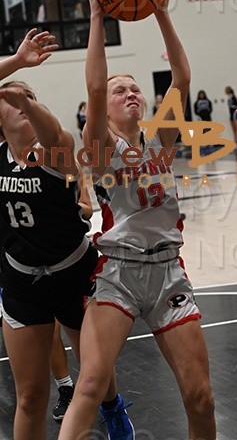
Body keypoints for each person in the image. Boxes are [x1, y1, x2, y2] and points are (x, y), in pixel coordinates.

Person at [58, 0, 216, 440]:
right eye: (120, 91)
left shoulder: (161, 139)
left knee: (201, 396)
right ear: (102, 109)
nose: (131, 94)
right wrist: (95, 19)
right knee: (89, 383)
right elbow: (93, 87)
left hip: (169, 272)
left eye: (134, 89)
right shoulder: (100, 145)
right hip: (118, 273)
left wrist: (163, 13)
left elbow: (183, 76)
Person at [0, 29, 132, 440]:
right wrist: (18, 62)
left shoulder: (56, 150)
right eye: (9, 100)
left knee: (95, 373)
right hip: (22, 281)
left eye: (31, 99)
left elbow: (56, 132)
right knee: (31, 396)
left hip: (74, 273)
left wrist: (25, 100)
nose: (23, 103)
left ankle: (113, 410)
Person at [51, 179, 94, 422]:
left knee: (84, 339)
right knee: (49, 330)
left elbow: (87, 208)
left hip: (70, 261)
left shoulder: (63, 164)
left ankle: (109, 402)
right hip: (29, 265)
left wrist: (67, 208)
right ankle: (65, 388)